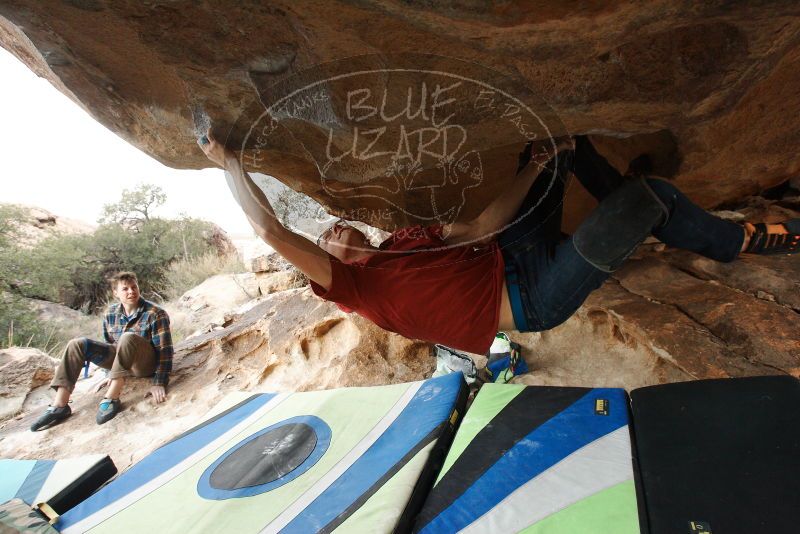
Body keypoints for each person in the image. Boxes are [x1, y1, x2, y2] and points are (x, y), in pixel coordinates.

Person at [198, 130, 798, 356]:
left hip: (512, 249)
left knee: (555, 148)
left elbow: (482, 226)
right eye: (325, 237)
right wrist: (228, 162)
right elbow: (272, 231)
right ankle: (723, 239)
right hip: (535, 295)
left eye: (332, 226)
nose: (329, 232)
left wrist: (534, 169)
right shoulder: (352, 288)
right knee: (652, 198)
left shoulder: (406, 241)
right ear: (329, 263)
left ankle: (626, 198)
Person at [31, 272, 173, 431]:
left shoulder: (155, 313)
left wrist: (159, 383)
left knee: (127, 338)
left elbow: (165, 351)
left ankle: (112, 397)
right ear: (116, 293)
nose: (131, 292)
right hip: (123, 362)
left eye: (134, 287)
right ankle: (60, 405)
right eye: (125, 289)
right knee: (76, 344)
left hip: (145, 364)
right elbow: (110, 345)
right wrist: (109, 373)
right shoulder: (110, 313)